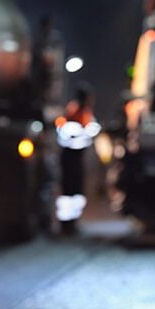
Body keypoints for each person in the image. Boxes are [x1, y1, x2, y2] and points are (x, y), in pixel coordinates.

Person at [55, 83, 99, 234]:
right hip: (71, 158)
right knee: (70, 190)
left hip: (73, 158)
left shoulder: (79, 112)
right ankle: (67, 223)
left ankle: (70, 222)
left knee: (73, 190)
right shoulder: (76, 112)